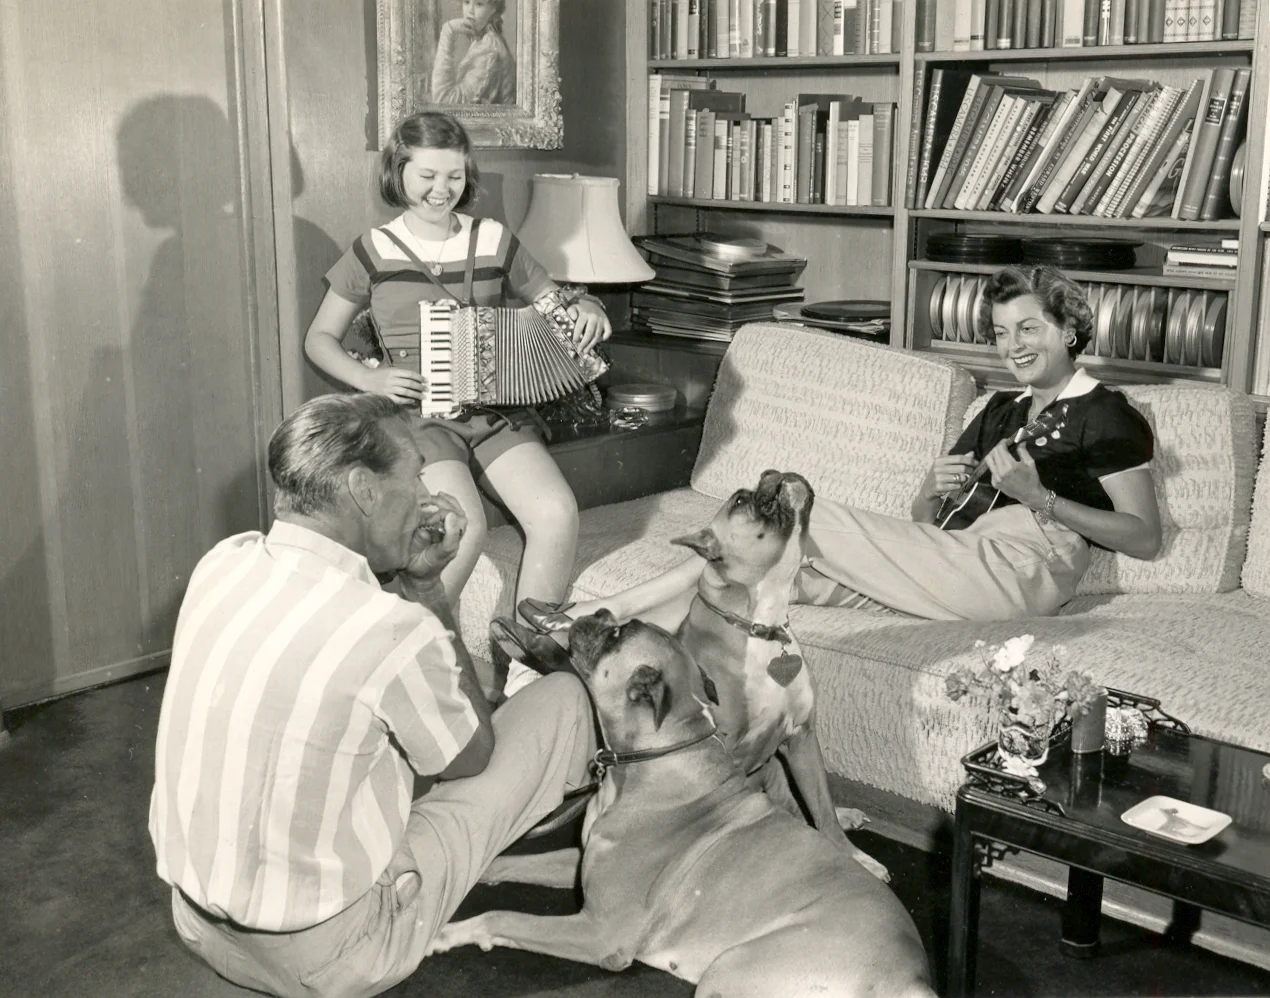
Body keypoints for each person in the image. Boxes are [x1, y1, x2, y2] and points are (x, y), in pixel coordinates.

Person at [149, 393, 595, 998]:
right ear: (363, 490)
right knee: (563, 697)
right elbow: (470, 757)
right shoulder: (388, 627)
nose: (426, 497)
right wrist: (431, 592)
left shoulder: (221, 564)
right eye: (415, 476)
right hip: (330, 960)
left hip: (197, 926)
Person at [527, 265, 1162, 630]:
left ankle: (596, 611)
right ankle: (597, 637)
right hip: (953, 558)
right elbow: (923, 526)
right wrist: (927, 490)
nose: (1013, 346)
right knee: (763, 576)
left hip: (1025, 563)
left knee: (791, 508)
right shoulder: (1002, 407)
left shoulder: (1107, 413)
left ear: (1071, 329)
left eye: (1030, 328)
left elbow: (1144, 537)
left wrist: (1040, 498)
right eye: (1001, 333)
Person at [305, 111, 610, 623]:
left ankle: (526, 657)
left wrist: (589, 308)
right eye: (426, 175)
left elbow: (555, 301)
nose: (440, 189)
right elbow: (319, 338)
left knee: (556, 513)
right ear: (397, 172)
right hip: (417, 419)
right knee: (460, 525)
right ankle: (413, 652)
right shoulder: (373, 251)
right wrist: (368, 378)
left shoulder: (493, 239)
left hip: (493, 412)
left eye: (454, 176)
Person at [431, 0, 516, 105]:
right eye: (466, 2)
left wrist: (447, 33)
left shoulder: (489, 51)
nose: (470, 11)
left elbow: (443, 99)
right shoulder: (482, 41)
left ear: (494, 8)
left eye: (479, 4)